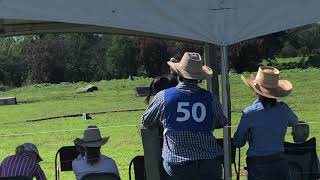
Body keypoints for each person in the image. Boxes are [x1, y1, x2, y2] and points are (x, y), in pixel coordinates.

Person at [141, 52, 229, 180]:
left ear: (179, 73)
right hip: (209, 163)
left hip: (177, 165)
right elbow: (222, 122)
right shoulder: (210, 98)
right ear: (199, 77)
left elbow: (146, 121)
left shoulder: (163, 96)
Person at [233, 66, 299, 180]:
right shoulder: (284, 109)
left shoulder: (250, 113)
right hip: (279, 163)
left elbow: (238, 142)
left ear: (256, 90)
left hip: (257, 165)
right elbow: (294, 121)